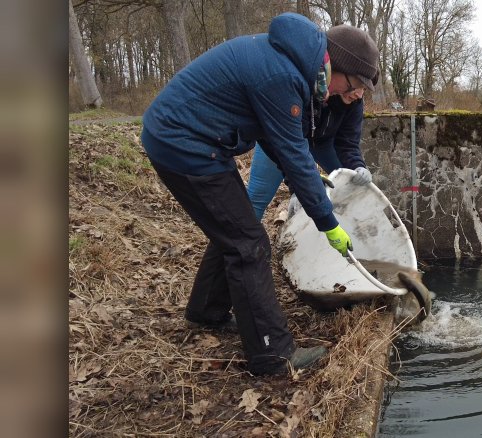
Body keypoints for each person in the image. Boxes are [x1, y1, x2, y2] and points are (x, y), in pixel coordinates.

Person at [140, 13, 370, 375]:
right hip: (184, 144)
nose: (352, 94)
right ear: (334, 65)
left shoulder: (295, 66)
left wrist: (304, 183)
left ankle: (205, 312)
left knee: (235, 229)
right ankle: (272, 357)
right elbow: (294, 151)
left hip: (200, 143)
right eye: (353, 83)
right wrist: (328, 223)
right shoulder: (283, 75)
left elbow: (276, 139)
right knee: (249, 245)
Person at [247, 24, 377, 221]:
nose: (359, 94)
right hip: (284, 138)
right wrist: (297, 189)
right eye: (357, 86)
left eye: (364, 90)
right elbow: (288, 144)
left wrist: (359, 167)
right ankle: (238, 244)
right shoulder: (309, 84)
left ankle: (352, 238)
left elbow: (348, 143)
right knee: (257, 197)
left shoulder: (355, 102)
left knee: (352, 185)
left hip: (324, 143)